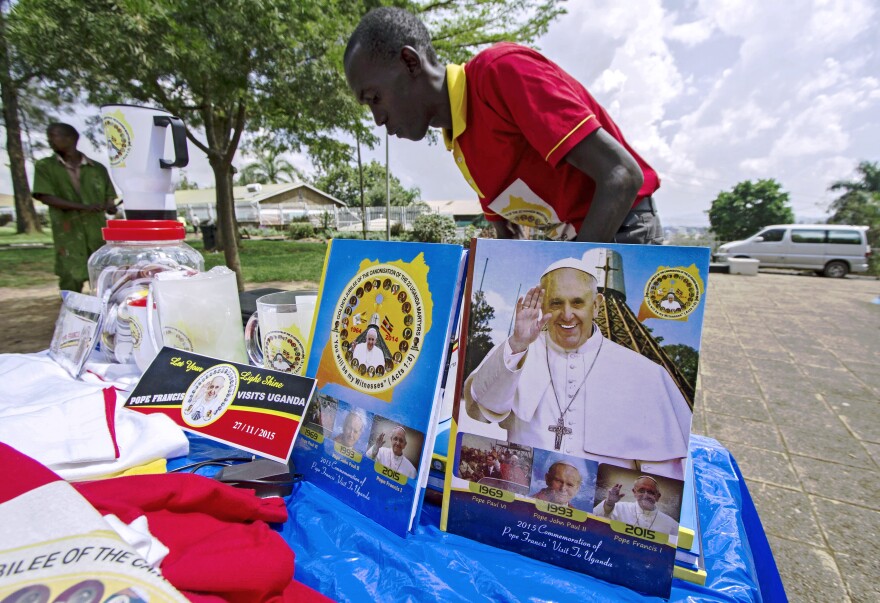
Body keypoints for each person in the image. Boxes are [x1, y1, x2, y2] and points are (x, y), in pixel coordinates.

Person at [344, 7, 662, 244]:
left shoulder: (500, 73)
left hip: (622, 228)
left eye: (374, 97)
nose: (378, 118)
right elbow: (510, 240)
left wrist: (572, 268)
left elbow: (621, 175)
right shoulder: (460, 141)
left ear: (411, 62)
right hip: (577, 241)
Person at [464, 257, 691, 479]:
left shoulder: (646, 374)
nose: (567, 314)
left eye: (577, 302)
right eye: (555, 302)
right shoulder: (517, 350)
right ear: (543, 306)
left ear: (597, 305)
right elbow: (481, 408)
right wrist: (518, 344)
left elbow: (665, 471)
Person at [32, 122, 118, 292]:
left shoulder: (98, 169)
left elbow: (110, 199)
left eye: (53, 136)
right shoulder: (45, 167)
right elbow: (45, 196)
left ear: (70, 138)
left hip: (96, 234)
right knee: (70, 279)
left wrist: (110, 207)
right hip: (68, 233)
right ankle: (71, 315)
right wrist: (84, 207)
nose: (50, 141)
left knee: (105, 279)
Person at [593, 476, 679, 535]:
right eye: (641, 491)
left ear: (657, 497)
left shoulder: (672, 525)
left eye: (651, 492)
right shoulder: (618, 508)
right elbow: (594, 520)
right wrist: (609, 503)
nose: (646, 495)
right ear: (634, 492)